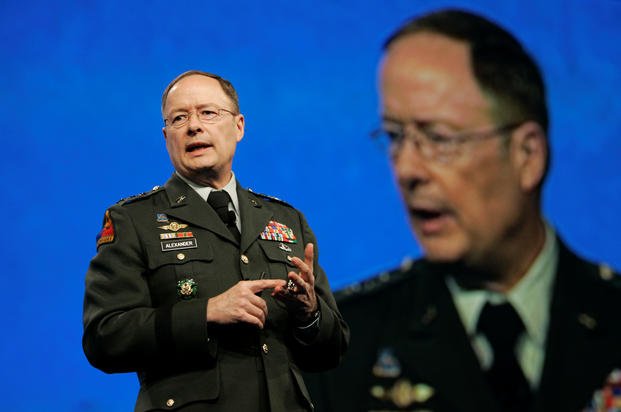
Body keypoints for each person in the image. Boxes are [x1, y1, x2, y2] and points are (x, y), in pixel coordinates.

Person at [304, 9, 621, 412]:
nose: (406, 169)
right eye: (396, 137)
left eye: (438, 138)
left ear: (527, 155)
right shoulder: (339, 349)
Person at [82, 70, 349, 412]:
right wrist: (206, 313)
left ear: (238, 127)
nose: (194, 126)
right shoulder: (134, 220)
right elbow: (104, 337)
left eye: (208, 113)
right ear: (167, 137)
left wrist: (309, 312)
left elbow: (333, 349)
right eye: (180, 118)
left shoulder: (285, 219)